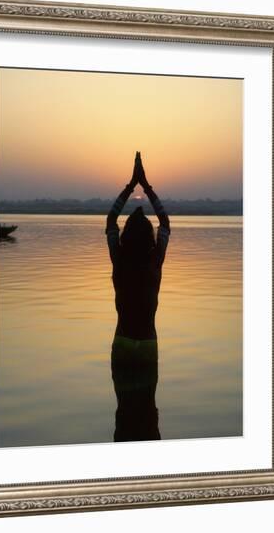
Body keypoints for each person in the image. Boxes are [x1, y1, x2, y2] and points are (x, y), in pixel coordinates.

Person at [106, 151, 170, 441]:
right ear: (148, 238)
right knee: (148, 412)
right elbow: (166, 224)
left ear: (125, 237)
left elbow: (109, 222)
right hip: (146, 344)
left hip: (122, 343)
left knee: (124, 414)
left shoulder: (119, 261)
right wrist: (147, 185)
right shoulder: (154, 262)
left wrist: (131, 185)